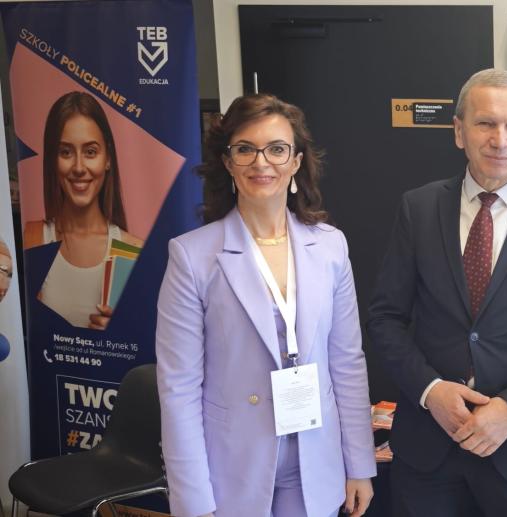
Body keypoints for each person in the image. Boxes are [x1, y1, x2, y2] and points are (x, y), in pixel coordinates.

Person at [367, 69, 507, 517]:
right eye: (486, 123)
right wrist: (430, 390)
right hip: (427, 450)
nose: (499, 139)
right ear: (459, 131)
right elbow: (385, 318)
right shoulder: (419, 208)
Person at [156, 94, 375, 517]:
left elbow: (347, 362)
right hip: (231, 466)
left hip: (315, 460)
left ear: (295, 162)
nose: (262, 163)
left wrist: (359, 465)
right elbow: (179, 388)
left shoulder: (330, 246)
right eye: (246, 149)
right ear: (228, 162)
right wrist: (193, 502)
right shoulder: (192, 256)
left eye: (276, 149)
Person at [23, 91, 142, 329]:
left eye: (90, 152)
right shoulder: (30, 240)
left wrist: (121, 331)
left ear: (107, 158)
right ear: (52, 159)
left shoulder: (133, 250)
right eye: (66, 152)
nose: (78, 167)